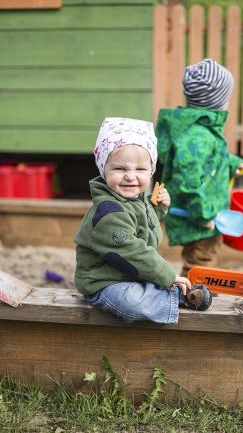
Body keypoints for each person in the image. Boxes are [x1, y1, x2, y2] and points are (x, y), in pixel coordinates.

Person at [74, 117, 212, 324]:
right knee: (132, 302)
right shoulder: (108, 212)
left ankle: (166, 292)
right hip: (104, 283)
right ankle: (176, 296)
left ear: (151, 171)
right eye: (120, 169)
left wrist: (157, 209)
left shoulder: (133, 200)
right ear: (104, 170)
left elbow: (141, 226)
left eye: (140, 170)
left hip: (129, 274)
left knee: (142, 287)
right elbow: (133, 251)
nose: (130, 176)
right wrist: (169, 275)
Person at [155, 58, 243, 277]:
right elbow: (188, 180)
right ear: (218, 100)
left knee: (205, 253)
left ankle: (198, 286)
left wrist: (232, 163)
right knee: (201, 259)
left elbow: (210, 161)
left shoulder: (202, 129)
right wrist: (203, 214)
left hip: (205, 210)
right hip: (197, 213)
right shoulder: (197, 137)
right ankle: (195, 293)